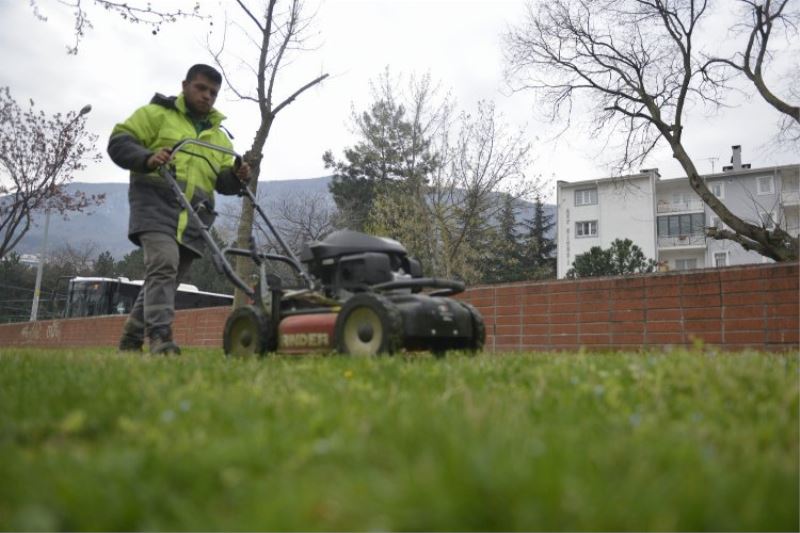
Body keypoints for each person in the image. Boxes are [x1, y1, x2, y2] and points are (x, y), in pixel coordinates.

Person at [108, 64, 250, 355]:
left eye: (213, 92)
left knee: (166, 278)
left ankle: (130, 340)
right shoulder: (156, 115)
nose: (207, 96)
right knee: (163, 265)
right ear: (185, 85)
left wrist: (237, 176)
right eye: (201, 88)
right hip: (156, 203)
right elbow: (119, 142)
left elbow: (223, 182)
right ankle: (161, 337)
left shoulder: (219, 137)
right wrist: (147, 158)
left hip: (195, 215)